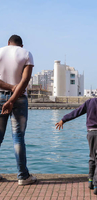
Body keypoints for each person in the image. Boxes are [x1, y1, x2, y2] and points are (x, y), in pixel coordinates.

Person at [0, 35, 37, 185]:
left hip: (0, 97)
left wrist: (9, 89)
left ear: (8, 43)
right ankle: (23, 176)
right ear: (21, 46)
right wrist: (12, 98)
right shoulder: (26, 54)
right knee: (18, 138)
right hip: (19, 99)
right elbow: (25, 80)